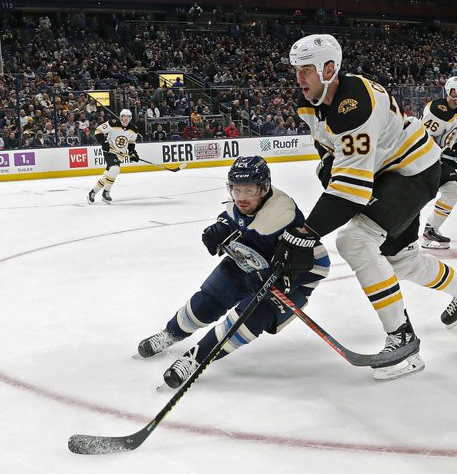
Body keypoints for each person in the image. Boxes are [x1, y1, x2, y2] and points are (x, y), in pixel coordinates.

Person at [279, 34, 457, 381]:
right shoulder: (309, 103)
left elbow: (350, 192)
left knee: (354, 241)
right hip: (389, 174)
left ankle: (402, 340)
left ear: (329, 69)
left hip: (412, 171)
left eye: (306, 70)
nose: (299, 78)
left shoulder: (354, 105)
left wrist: (306, 233)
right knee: (401, 260)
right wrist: (327, 174)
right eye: (296, 70)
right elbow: (330, 155)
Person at [137, 156, 329, 388]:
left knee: (249, 319)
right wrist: (221, 228)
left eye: (249, 190)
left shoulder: (282, 214)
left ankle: (195, 359)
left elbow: (318, 263)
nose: (241, 197)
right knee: (207, 301)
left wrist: (283, 280)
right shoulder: (244, 203)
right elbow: (234, 219)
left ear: (264, 188)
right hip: (251, 261)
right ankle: (170, 334)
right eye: (236, 190)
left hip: (294, 278)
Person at [420, 76, 457, 249]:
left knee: (453, 190)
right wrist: (448, 157)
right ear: (453, 92)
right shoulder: (438, 109)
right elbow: (424, 139)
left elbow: (455, 137)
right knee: (417, 196)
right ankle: (398, 236)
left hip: (437, 159)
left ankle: (431, 229)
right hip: (421, 160)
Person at [87, 109, 140, 204]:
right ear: (120, 117)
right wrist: (104, 143)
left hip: (120, 155)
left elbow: (131, 142)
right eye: (124, 116)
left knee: (108, 175)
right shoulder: (113, 123)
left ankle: (92, 192)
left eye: (128, 117)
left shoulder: (134, 129)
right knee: (115, 169)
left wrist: (132, 152)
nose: (126, 118)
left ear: (131, 118)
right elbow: (98, 130)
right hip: (110, 151)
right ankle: (106, 193)